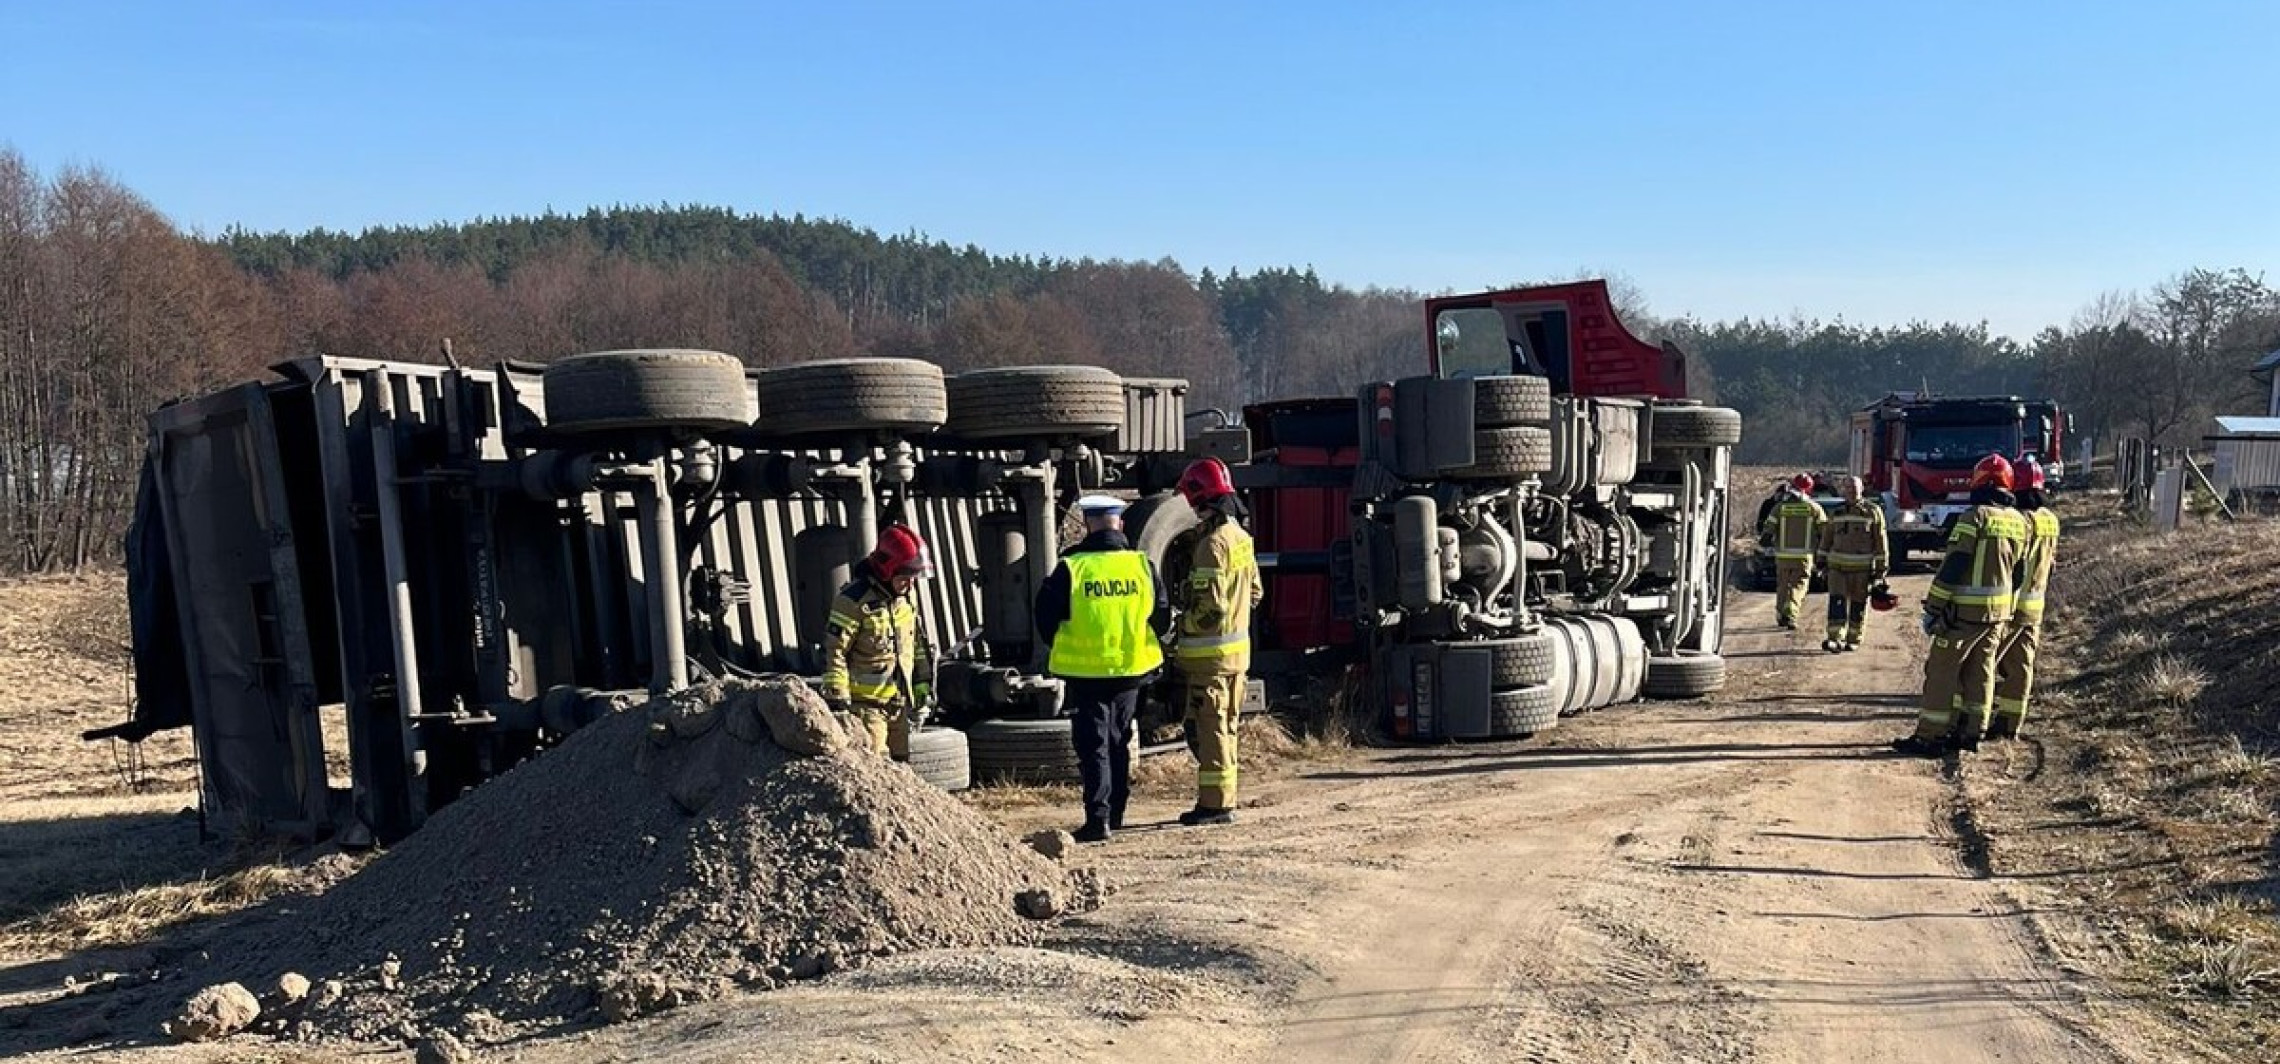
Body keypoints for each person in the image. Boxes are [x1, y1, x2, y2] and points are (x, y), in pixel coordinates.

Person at [1035, 495, 1171, 843]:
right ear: (1120, 524)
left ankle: (1098, 821)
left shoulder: (1071, 568)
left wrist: (1069, 645)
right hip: (1131, 670)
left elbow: (1045, 618)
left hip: (1085, 675)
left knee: (1092, 745)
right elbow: (1162, 616)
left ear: (1088, 525)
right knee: (1119, 741)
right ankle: (1118, 814)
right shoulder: (1141, 565)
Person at [1894, 455, 2029, 757]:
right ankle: (1972, 732)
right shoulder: (2019, 521)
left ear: (1977, 481)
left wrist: (1934, 607)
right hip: (1999, 614)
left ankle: (1930, 736)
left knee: (1942, 670)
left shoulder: (1974, 518)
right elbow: (2019, 573)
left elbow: (1954, 565)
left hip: (1964, 614)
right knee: (1981, 671)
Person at [1165, 457, 1263, 827]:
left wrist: (1180, 626)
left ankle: (1216, 805)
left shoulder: (1212, 546)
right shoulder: (1241, 539)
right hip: (1237, 656)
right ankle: (1221, 799)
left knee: (1213, 730)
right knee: (1223, 727)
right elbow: (1254, 592)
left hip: (1212, 659)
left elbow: (1211, 610)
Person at [820, 524, 935, 759]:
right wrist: (838, 698)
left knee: (902, 766)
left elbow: (915, 643)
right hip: (866, 707)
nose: (910, 585)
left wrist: (921, 682)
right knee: (877, 766)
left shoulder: (905, 598)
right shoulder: (852, 601)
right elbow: (835, 652)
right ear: (887, 570)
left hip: (898, 702)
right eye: (905, 577)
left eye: (914, 578)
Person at [1990, 456, 2060, 740]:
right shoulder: (2050, 520)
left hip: (2010, 605)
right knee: (2021, 666)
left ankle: (1968, 721)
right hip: (2035, 605)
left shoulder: (2021, 521)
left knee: (1981, 664)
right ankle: (2010, 723)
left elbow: (2014, 565)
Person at [1818, 475, 1888, 652]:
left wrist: (1881, 570)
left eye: (1854, 488)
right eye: (1848, 488)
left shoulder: (1872, 512)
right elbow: (1827, 538)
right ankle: (1834, 638)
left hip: (1862, 570)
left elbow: (1880, 541)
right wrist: (1821, 560)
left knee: (1858, 605)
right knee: (1837, 602)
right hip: (1837, 568)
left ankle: (1854, 639)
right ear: (1843, 490)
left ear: (1861, 489)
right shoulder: (1837, 512)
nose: (1851, 491)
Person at [1759, 473, 1827, 630]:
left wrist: (1765, 543)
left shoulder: (1779, 508)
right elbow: (1825, 532)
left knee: (1782, 585)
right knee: (1799, 585)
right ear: (1809, 489)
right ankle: (1791, 610)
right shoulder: (1814, 508)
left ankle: (1781, 615)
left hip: (1782, 556)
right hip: (1804, 556)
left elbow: (1767, 531)